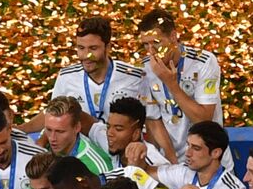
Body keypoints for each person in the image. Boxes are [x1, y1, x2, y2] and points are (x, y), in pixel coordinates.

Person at [25, 15, 155, 130]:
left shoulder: (134, 77)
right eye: (81, 48)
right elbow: (52, 116)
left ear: (108, 47)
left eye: (93, 48)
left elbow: (151, 121)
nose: (86, 55)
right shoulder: (66, 77)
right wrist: (21, 129)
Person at [136, 9, 221, 162]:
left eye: (156, 43)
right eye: (145, 45)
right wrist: (171, 161)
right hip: (171, 159)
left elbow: (204, 120)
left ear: (173, 37)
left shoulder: (203, 62)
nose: (151, 52)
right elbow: (153, 120)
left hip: (208, 159)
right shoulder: (145, 69)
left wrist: (171, 84)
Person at [41, 95, 115, 175]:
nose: (52, 138)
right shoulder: (42, 146)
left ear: (77, 128)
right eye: (48, 130)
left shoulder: (95, 167)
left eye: (60, 132)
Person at [91, 96, 170, 169]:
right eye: (108, 127)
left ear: (136, 134)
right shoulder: (113, 142)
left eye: (118, 129)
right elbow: (86, 122)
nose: (109, 133)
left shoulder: (155, 163)